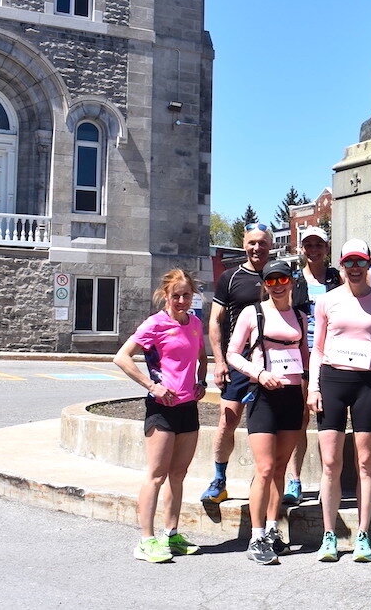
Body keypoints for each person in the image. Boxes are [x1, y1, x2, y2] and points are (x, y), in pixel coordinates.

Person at [308, 239, 371, 562]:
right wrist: (313, 388)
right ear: (342, 266)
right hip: (332, 381)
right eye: (349, 263)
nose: (355, 268)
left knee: (365, 462)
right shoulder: (327, 302)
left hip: (366, 385)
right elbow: (317, 349)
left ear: (369, 264)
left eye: (361, 262)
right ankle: (328, 535)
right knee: (331, 462)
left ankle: (362, 535)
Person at [113, 269, 207, 563]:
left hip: (188, 408)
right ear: (166, 296)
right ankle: (145, 539)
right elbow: (121, 357)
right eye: (176, 295)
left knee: (178, 475)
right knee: (156, 476)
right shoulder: (155, 324)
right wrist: (152, 385)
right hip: (161, 409)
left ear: (193, 296)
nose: (181, 301)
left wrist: (201, 381)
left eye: (186, 295)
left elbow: (202, 357)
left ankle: (172, 534)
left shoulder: (194, 323)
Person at [226, 260, 309, 565]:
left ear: (291, 281)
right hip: (262, 396)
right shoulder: (253, 313)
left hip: (291, 398)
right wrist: (259, 374)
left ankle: (273, 529)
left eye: (282, 279)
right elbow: (232, 354)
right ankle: (256, 534)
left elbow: (305, 363)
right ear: (264, 284)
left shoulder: (300, 316)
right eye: (271, 281)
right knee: (263, 469)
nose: (277, 286)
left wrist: (306, 399)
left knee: (279, 469)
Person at [201, 224, 271, 504]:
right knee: (227, 421)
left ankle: (271, 481)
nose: (257, 248)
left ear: (270, 246)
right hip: (237, 363)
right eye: (253, 243)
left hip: (272, 365)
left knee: (274, 426)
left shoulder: (279, 275)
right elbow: (215, 322)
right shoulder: (231, 278)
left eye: (263, 244)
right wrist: (219, 362)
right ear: (244, 244)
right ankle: (219, 480)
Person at [283, 225, 343, 506]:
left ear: (326, 248)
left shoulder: (338, 278)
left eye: (319, 245)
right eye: (309, 245)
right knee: (298, 420)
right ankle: (294, 480)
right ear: (302, 249)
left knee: (326, 422)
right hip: (301, 355)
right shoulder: (293, 281)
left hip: (332, 355)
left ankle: (325, 481)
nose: (314, 250)